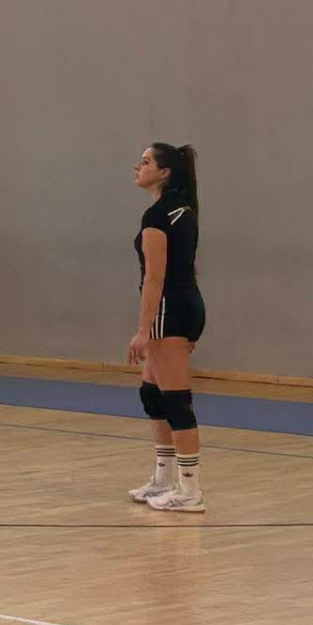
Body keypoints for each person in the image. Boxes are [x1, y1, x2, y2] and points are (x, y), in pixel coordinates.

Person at [127, 143, 205, 513]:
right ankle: (162, 480)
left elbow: (154, 278)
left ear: (164, 172)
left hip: (168, 311)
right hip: (182, 306)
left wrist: (143, 331)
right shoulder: (181, 209)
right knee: (153, 396)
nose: (137, 167)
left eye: (145, 162)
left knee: (175, 401)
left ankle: (190, 491)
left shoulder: (159, 215)